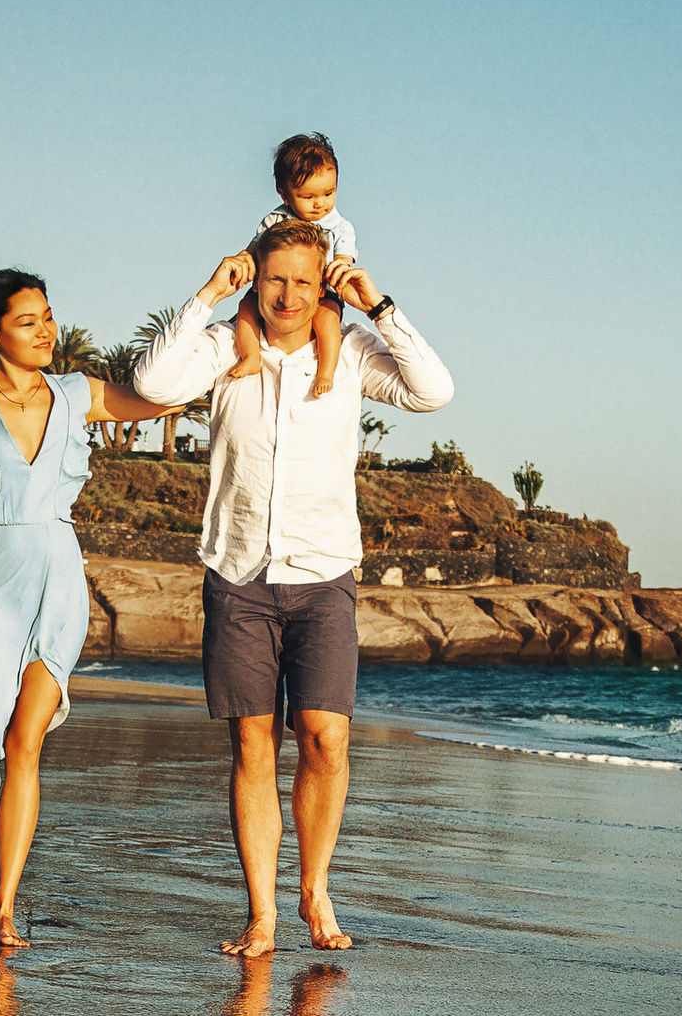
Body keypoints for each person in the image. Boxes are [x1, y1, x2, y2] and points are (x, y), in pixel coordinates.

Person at [134, 216, 453, 958]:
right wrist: (210, 292)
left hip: (322, 576)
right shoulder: (223, 351)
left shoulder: (352, 356)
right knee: (253, 746)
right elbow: (151, 381)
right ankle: (262, 914)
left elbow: (434, 391)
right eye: (275, 278)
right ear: (257, 276)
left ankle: (314, 887)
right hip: (239, 573)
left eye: (304, 282)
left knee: (325, 737)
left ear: (323, 286)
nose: (287, 295)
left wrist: (379, 306)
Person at [0, 269, 169, 945]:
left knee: (25, 745)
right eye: (28, 321)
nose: (46, 330)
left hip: (57, 581)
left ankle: (5, 908)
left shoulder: (79, 395)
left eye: (48, 316)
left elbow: (160, 400)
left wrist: (222, 317)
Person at [226, 130, 358, 400]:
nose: (320, 203)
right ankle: (251, 356)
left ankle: (326, 370)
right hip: (274, 288)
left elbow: (345, 250)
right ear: (285, 195)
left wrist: (342, 263)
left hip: (324, 290)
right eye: (308, 197)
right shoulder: (274, 220)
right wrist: (245, 259)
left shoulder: (338, 225)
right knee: (246, 308)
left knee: (328, 318)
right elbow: (255, 248)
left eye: (328, 193)